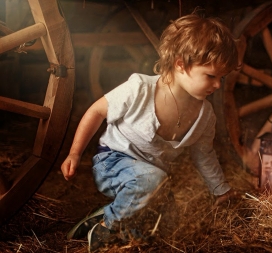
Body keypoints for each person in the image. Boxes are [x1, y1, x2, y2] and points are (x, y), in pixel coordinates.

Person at [61, 12, 240, 252]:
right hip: (113, 162)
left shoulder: (205, 116)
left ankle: (117, 220)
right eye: (210, 76)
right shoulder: (140, 89)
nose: (218, 85)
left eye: (222, 78)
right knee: (151, 181)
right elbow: (96, 111)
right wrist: (75, 153)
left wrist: (221, 190)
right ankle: (106, 225)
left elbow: (204, 155)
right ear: (180, 64)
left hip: (155, 179)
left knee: (168, 228)